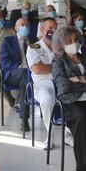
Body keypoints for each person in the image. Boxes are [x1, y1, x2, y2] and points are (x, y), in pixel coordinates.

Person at [52, 26, 86, 171]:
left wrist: (79, 79)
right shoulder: (58, 61)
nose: (73, 44)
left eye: (75, 40)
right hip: (70, 101)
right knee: (83, 120)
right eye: (69, 41)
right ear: (61, 44)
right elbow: (63, 86)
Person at [26, 18, 58, 150]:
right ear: (42, 30)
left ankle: (69, 133)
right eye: (49, 28)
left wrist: (48, 66)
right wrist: (57, 67)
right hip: (42, 84)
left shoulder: (61, 46)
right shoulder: (34, 47)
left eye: (55, 28)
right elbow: (37, 69)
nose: (52, 31)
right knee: (47, 100)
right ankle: (50, 135)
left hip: (61, 82)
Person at [0, 18, 32, 131]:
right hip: (11, 74)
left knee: (25, 81)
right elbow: (4, 62)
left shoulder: (33, 42)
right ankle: (24, 109)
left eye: (27, 25)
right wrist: (19, 66)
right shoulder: (7, 41)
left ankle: (24, 119)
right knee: (25, 74)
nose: (25, 27)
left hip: (30, 75)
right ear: (16, 28)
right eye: (22, 25)